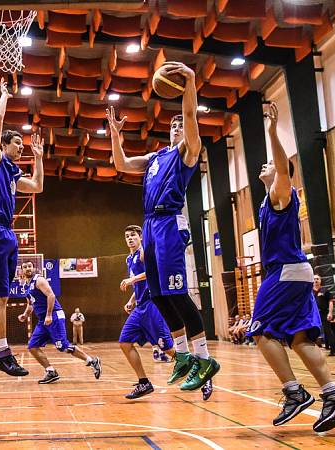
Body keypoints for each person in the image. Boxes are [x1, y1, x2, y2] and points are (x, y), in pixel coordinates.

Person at [106, 61, 219, 392]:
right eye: (172, 124)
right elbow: (121, 163)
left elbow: (190, 119)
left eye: (180, 124)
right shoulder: (156, 157)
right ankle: (182, 355)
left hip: (168, 222)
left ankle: (204, 357)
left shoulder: (187, 154)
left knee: (178, 294)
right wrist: (115, 136)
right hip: (150, 225)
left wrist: (190, 82)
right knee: (159, 295)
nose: (176, 127)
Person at [246, 102, 335, 432]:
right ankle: (333, 393)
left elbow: (282, 167)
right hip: (297, 272)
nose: (266, 167)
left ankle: (294, 393)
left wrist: (272, 133)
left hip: (286, 272)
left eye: (271, 166)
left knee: (261, 332)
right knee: (299, 339)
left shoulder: (283, 193)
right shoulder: (268, 202)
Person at [0, 80, 45, 377]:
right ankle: (3, 352)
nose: (21, 145)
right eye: (16, 142)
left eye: (22, 142)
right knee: (0, 297)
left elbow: (38, 187)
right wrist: (4, 96)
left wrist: (40, 158)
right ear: (3, 145)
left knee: (4, 294)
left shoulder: (13, 172)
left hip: (6, 231)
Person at [118, 224, 178, 399]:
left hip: (153, 304)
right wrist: (131, 301)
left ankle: (201, 370)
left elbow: (153, 272)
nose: (130, 238)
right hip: (140, 305)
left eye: (133, 235)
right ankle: (144, 382)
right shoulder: (129, 259)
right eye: (127, 236)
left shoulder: (144, 253)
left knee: (166, 348)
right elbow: (141, 285)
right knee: (125, 342)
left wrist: (132, 279)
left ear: (141, 237)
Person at [18, 261, 102, 384]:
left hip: (54, 316)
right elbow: (31, 304)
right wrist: (25, 315)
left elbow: (51, 296)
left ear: (34, 268)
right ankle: (50, 371)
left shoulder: (39, 280)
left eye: (30, 266)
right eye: (25, 267)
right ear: (21, 270)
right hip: (43, 321)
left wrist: (48, 315)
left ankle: (92, 361)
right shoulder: (26, 285)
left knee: (63, 346)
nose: (28, 268)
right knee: (32, 346)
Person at [314, 275, 335, 356]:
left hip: (324, 313)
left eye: (317, 279)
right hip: (314, 314)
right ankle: (313, 350)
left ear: (320, 280)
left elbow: (331, 302)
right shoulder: (310, 291)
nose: (316, 280)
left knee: (328, 331)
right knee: (312, 331)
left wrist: (330, 313)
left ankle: (333, 349)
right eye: (314, 279)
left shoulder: (325, 290)